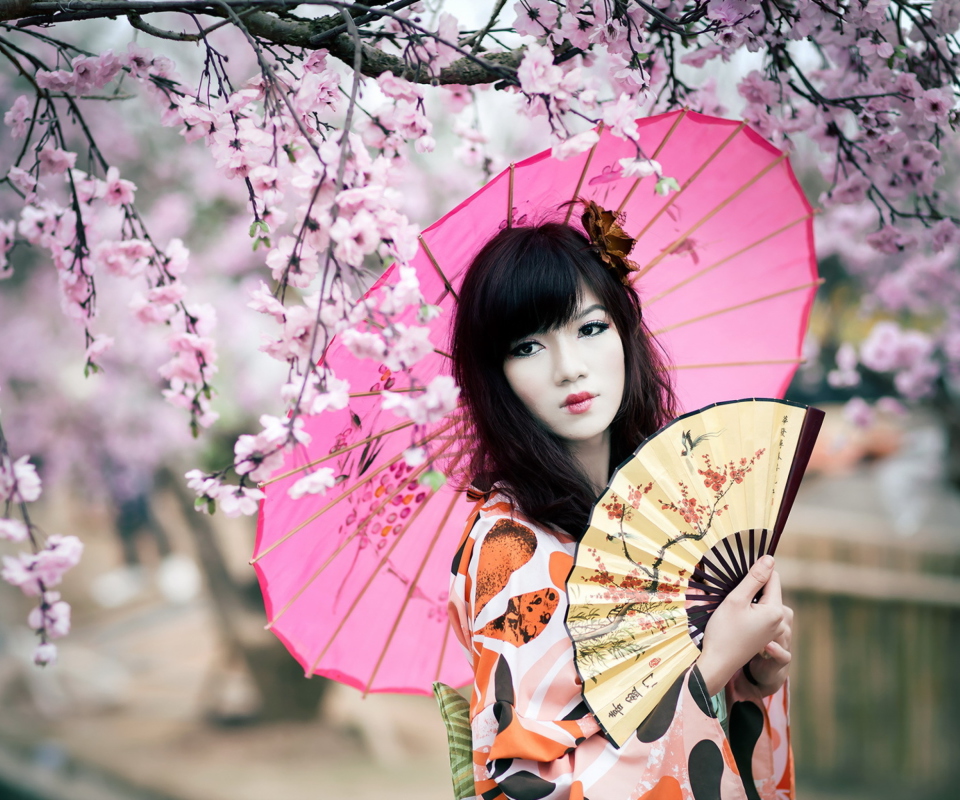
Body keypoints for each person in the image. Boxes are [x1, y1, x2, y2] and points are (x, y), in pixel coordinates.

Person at [447, 218, 794, 800]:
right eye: (528, 346)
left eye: (589, 328)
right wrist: (710, 668)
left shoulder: (667, 514)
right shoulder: (513, 546)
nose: (568, 367)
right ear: (494, 377)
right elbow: (525, 786)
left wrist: (748, 679)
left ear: (625, 331)